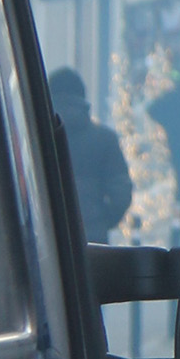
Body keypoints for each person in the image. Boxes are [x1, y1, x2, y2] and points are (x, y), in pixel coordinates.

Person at [49, 67, 132, 243]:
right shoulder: (104, 139)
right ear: (82, 99)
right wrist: (102, 220)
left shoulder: (37, 140)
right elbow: (121, 191)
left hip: (47, 238)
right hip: (92, 239)